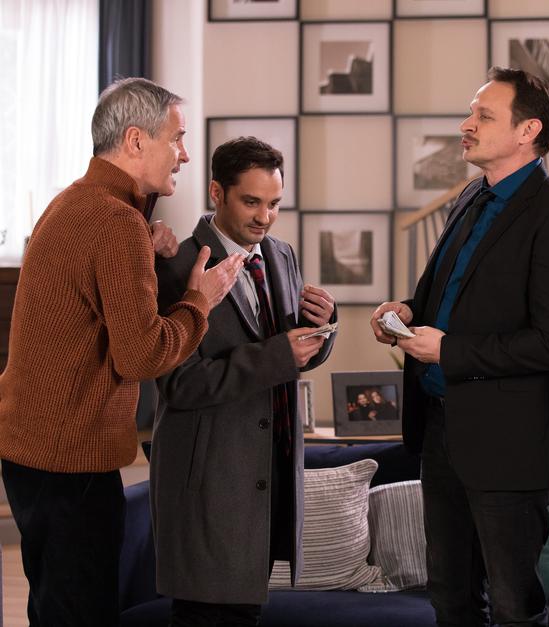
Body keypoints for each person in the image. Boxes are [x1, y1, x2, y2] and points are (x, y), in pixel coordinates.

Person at [0, 77, 242, 626]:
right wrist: (199, 301)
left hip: (35, 451)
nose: (185, 155)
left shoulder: (78, 202)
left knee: (54, 607)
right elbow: (142, 356)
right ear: (135, 140)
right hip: (69, 460)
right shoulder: (115, 221)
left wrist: (144, 245)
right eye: (177, 139)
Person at [370, 67, 549, 626]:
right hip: (440, 429)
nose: (466, 125)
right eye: (471, 113)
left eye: (484, 115)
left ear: (527, 131)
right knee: (449, 599)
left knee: (515, 607)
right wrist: (408, 313)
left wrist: (449, 352)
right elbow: (452, 299)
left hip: (509, 446)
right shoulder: (472, 196)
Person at [150, 136, 337, 626]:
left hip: (267, 478)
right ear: (217, 192)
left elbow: (289, 353)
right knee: (205, 616)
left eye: (274, 203)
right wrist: (279, 355)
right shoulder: (174, 266)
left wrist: (322, 327)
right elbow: (179, 384)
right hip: (210, 483)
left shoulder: (281, 255)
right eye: (252, 202)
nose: (265, 217)